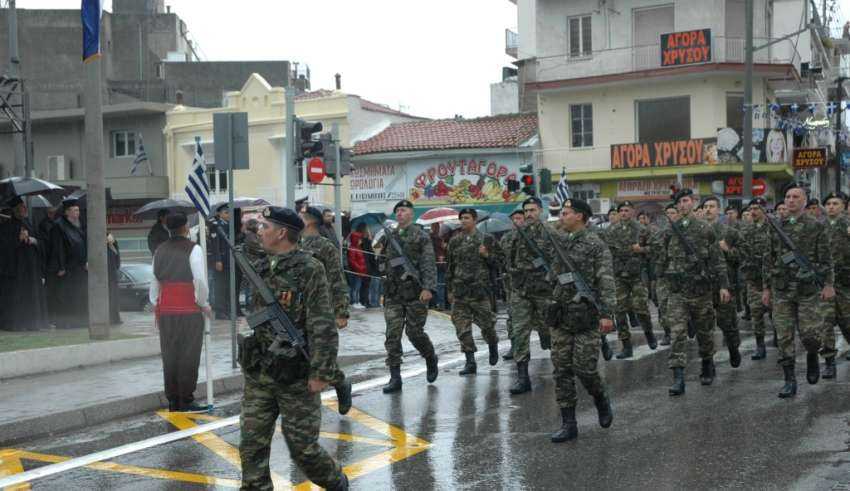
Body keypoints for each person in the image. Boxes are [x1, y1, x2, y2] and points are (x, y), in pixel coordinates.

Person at [238, 206, 348, 491]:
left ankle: (336, 482)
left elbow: (322, 324)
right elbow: (244, 241)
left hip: (295, 374)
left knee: (303, 449)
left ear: (282, 233)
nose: (260, 232)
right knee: (251, 444)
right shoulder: (262, 265)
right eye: (260, 227)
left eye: (265, 227)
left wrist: (321, 372)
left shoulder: (309, 268)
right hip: (261, 371)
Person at [548, 198, 615, 442]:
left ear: (580, 216)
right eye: (561, 213)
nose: (561, 217)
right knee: (561, 370)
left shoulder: (595, 245)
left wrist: (607, 313)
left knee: (585, 369)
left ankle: (600, 397)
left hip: (586, 317)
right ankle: (569, 423)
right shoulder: (559, 241)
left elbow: (606, 280)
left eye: (566, 213)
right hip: (561, 316)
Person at [762, 182, 834, 398]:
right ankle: (789, 379)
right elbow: (768, 258)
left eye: (795, 197)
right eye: (787, 197)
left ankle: (812, 354)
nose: (790, 200)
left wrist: (828, 284)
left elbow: (826, 258)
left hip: (807, 291)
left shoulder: (816, 226)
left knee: (811, 335)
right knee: (783, 336)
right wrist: (766, 288)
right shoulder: (776, 226)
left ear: (804, 201)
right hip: (782, 289)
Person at [660, 188, 730, 396]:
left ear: (693, 203)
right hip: (677, 292)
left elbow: (717, 260)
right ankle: (678, 378)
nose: (682, 205)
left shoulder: (705, 229)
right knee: (678, 333)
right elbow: (662, 258)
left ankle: (707, 363)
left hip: (700, 291)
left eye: (685, 201)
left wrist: (723, 285)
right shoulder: (669, 231)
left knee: (704, 333)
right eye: (679, 202)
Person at [149, 213, 211, 412]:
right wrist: (203, 303)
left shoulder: (159, 250)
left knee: (170, 354)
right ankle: (186, 398)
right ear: (186, 228)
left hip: (166, 310)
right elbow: (200, 280)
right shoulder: (194, 249)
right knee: (188, 355)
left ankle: (173, 399)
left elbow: (154, 282)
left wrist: (156, 302)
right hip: (188, 309)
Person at [376, 199, 439, 393]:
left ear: (411, 213)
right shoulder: (389, 236)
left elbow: (428, 262)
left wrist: (428, 288)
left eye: (403, 210)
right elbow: (382, 262)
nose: (400, 214)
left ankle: (430, 356)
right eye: (398, 211)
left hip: (415, 292)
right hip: (393, 293)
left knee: (414, 333)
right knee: (392, 335)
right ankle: (395, 378)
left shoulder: (421, 236)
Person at [300, 206, 353, 415]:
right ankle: (337, 382)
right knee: (305, 356)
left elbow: (336, 278)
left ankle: (339, 383)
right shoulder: (295, 243)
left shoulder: (325, 246)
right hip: (298, 310)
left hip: (321, 309)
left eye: (301, 216)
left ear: (310, 221)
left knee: (319, 355)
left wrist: (341, 311)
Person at [506, 197, 555, 395]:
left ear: (541, 211)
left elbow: (559, 260)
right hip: (521, 290)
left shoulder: (551, 232)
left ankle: (562, 367)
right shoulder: (516, 235)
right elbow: (507, 259)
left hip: (544, 291)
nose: (529, 214)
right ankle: (523, 377)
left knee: (550, 329)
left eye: (533, 210)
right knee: (519, 332)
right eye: (526, 211)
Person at [446, 208, 500, 375]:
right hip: (460, 292)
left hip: (480, 291)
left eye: (467, 218)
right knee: (462, 328)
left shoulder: (486, 239)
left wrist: (486, 255)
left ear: (474, 220)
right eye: (461, 218)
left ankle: (492, 345)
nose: (463, 221)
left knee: (487, 326)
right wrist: (449, 290)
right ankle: (470, 361)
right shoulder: (455, 241)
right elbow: (450, 267)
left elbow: (499, 262)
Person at [607, 201, 656, 358]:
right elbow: (605, 252)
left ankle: (649, 333)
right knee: (619, 311)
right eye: (621, 210)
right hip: (619, 275)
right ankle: (626, 346)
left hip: (637, 275)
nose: (623, 213)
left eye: (627, 210)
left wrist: (641, 249)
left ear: (633, 212)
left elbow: (656, 249)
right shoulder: (611, 230)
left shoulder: (642, 230)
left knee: (640, 307)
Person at [701, 196, 743, 368]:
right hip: (703, 285)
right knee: (704, 326)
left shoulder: (730, 232)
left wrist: (729, 250)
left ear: (719, 210)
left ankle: (733, 348)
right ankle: (708, 362)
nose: (708, 209)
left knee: (727, 323)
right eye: (705, 206)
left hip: (725, 284)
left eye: (712, 206)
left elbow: (744, 255)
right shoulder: (699, 231)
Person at [0, 196, 49, 331]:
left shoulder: (29, 223)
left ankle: (34, 323)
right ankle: (18, 324)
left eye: (24, 207)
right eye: (21, 208)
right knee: (18, 297)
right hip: (17, 269)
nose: (24, 210)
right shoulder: (6, 227)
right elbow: (4, 249)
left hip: (31, 268)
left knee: (32, 296)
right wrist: (19, 239)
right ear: (15, 210)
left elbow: (41, 242)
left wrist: (33, 240)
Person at [818, 192, 850, 379]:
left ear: (843, 206)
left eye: (835, 203)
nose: (831, 206)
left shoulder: (847, 225)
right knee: (825, 322)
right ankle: (829, 362)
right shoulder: (818, 226)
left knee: (846, 321)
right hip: (824, 283)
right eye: (828, 203)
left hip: (845, 283)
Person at [47, 200, 89, 329]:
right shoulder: (58, 226)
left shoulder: (79, 225)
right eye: (75, 210)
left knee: (80, 295)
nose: (78, 212)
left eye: (78, 210)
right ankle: (66, 322)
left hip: (79, 268)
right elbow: (57, 247)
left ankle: (80, 321)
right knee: (66, 296)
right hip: (67, 269)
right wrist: (61, 266)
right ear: (67, 212)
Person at [739, 197, 771, 360]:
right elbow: (740, 251)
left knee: (775, 313)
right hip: (753, 279)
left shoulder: (773, 228)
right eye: (751, 208)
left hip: (772, 279)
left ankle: (780, 339)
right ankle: (760, 346)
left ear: (764, 209)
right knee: (756, 313)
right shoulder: (746, 229)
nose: (753, 211)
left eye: (757, 208)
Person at [500, 208, 525, 360]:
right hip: (512, 284)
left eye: (519, 218)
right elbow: (500, 257)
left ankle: (546, 338)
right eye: (514, 219)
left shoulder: (533, 237)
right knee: (512, 316)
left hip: (533, 284)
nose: (517, 221)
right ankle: (514, 345)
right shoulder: (506, 238)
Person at [346, 223, 368, 309]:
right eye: (359, 239)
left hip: (360, 271)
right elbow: (352, 261)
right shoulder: (352, 248)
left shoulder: (358, 248)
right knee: (355, 287)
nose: (361, 241)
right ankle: (353, 301)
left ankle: (357, 301)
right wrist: (360, 269)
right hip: (356, 271)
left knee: (357, 287)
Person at [431, 222, 449, 310]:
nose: (436, 228)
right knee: (438, 284)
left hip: (442, 264)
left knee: (441, 284)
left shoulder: (442, 237)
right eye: (435, 226)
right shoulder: (432, 238)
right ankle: (439, 303)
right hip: (435, 264)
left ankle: (441, 303)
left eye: (437, 226)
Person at [107, 232, 122, 325]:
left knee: (113, 298)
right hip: (109, 275)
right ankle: (113, 318)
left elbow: (117, 260)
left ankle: (115, 318)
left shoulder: (112, 247)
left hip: (112, 275)